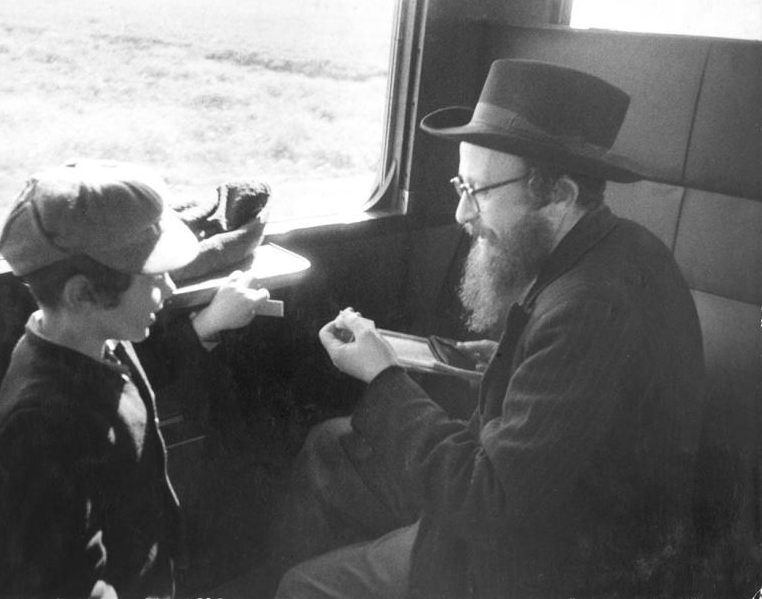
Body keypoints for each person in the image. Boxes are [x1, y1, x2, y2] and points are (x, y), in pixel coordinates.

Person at [273, 59, 705, 599]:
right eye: (461, 184)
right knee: (329, 447)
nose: (460, 214)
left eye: (477, 191)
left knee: (303, 586)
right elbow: (568, 404)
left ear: (559, 195)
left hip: (547, 567)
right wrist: (503, 361)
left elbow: (487, 500)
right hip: (543, 515)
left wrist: (383, 378)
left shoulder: (590, 308)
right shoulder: (621, 248)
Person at [0, 160, 270, 599]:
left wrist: (208, 325)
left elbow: (123, 393)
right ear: (82, 293)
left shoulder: (93, 342)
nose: (172, 290)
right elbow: (73, 587)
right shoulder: (38, 424)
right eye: (155, 278)